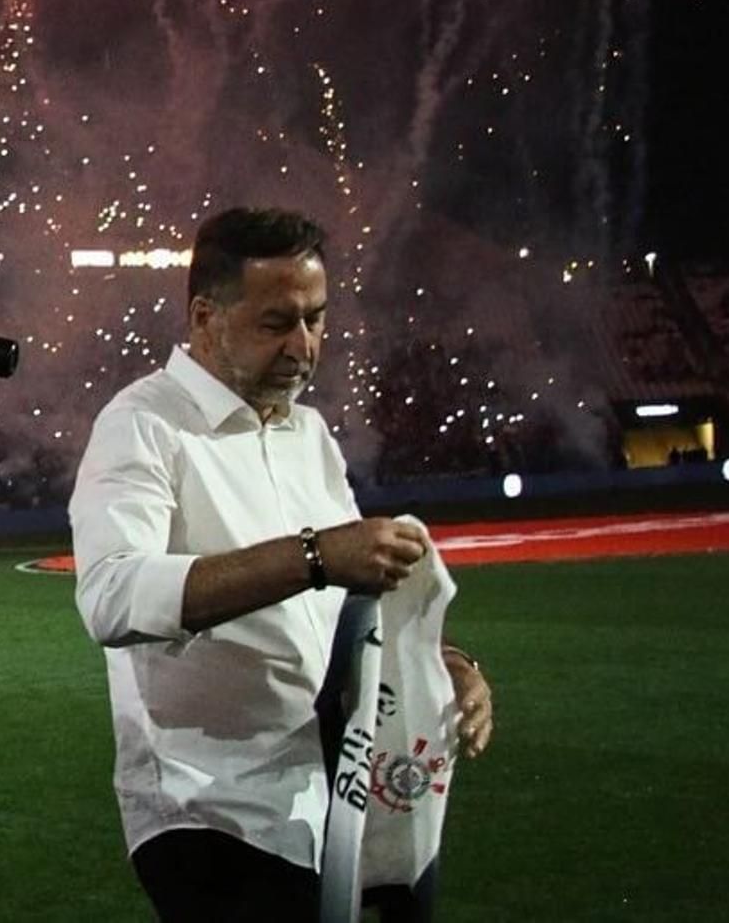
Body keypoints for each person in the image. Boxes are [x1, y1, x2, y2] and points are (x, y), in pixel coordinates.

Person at [69, 208, 495, 923]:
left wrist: (437, 663)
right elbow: (111, 595)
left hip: (330, 799)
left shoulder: (309, 433)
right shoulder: (142, 424)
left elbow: (341, 615)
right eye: (278, 323)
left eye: (317, 320)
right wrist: (315, 555)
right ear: (205, 317)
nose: (305, 345)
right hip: (208, 813)